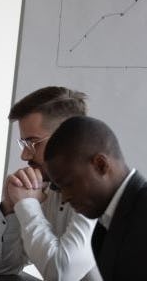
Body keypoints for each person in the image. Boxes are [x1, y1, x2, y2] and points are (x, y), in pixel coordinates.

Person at [0, 86, 100, 280]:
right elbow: (3, 267)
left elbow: (62, 274)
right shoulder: (43, 188)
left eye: (33, 143)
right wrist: (10, 207)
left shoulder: (99, 194)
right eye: (23, 144)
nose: (24, 155)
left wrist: (28, 206)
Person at [45, 116, 147, 281]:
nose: (64, 197)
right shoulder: (102, 228)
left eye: (69, 184)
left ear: (101, 165)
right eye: (59, 187)